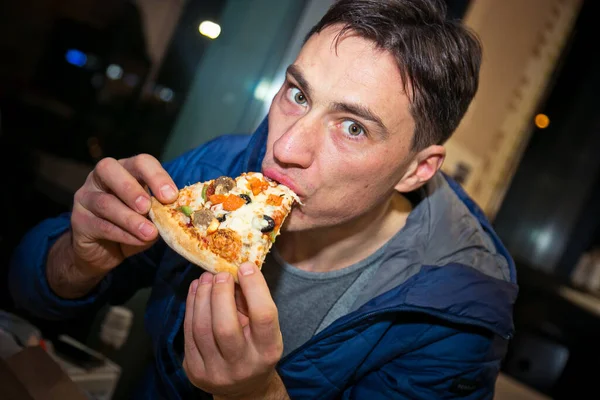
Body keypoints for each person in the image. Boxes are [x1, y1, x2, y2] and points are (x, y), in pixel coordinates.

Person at [9, 0, 518, 398]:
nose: (284, 148)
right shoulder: (218, 173)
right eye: (298, 94)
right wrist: (77, 260)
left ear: (416, 169)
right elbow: (30, 299)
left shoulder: (454, 313)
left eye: (353, 128)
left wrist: (254, 394)